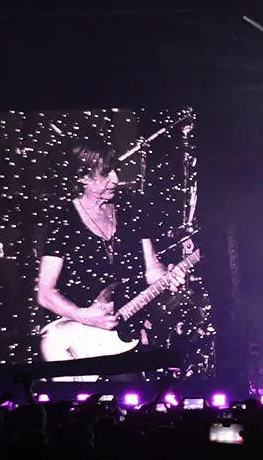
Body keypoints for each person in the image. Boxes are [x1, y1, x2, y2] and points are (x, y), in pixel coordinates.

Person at [36, 143, 187, 364]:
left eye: (115, 169)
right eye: (106, 173)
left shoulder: (131, 206)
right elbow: (45, 292)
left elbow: (152, 269)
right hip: (79, 340)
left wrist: (168, 277)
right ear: (82, 178)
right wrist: (83, 316)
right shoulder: (64, 222)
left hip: (128, 333)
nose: (116, 179)